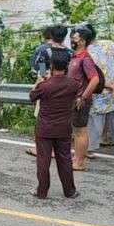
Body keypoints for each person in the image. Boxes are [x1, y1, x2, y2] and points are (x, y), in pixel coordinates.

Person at [29, 50, 79, 199]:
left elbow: (32, 96)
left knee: (43, 160)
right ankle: (69, 191)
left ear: (51, 65)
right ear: (67, 66)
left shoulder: (45, 85)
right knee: (65, 159)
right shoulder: (73, 84)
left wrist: (39, 81)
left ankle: (42, 191)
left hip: (45, 127)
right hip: (63, 127)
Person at [26, 26, 73, 158]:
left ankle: (40, 148)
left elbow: (40, 73)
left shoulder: (43, 50)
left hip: (47, 88)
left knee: (42, 118)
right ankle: (58, 149)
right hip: (64, 87)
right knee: (60, 117)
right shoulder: (70, 52)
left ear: (51, 35)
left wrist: (36, 88)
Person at [87, 35, 114, 160]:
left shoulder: (87, 50)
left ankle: (90, 148)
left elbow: (91, 74)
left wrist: (107, 85)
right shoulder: (113, 44)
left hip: (99, 90)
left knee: (95, 121)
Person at [69, 25, 101, 171]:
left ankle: (80, 162)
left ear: (82, 41)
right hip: (73, 98)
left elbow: (94, 79)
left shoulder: (85, 58)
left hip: (80, 100)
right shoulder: (75, 56)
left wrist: (83, 97)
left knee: (81, 131)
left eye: (75, 38)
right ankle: (76, 158)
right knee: (76, 131)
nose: (72, 40)